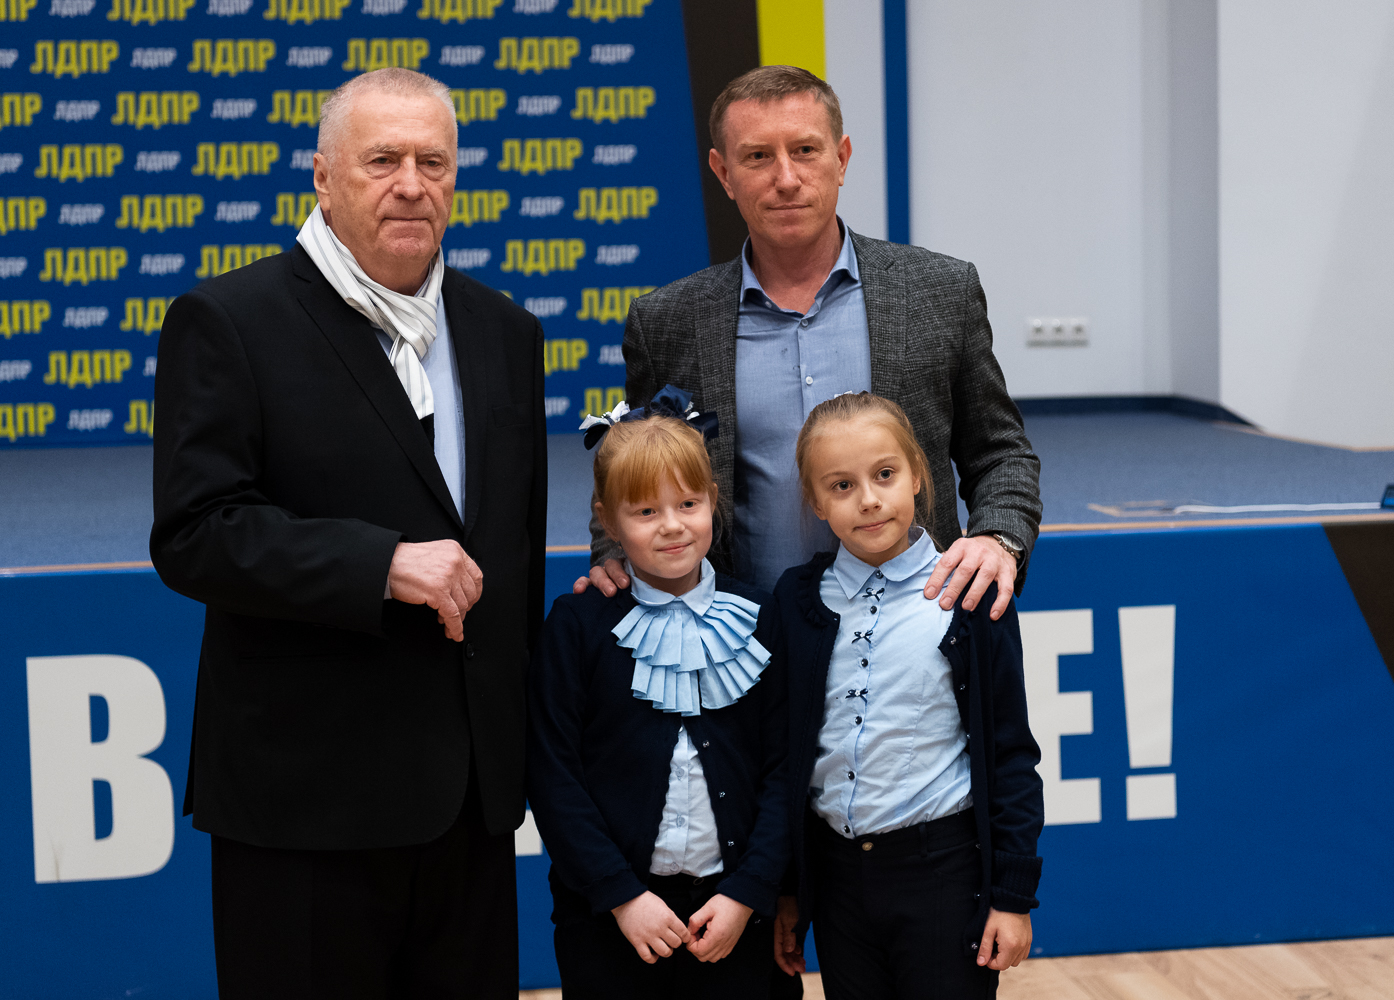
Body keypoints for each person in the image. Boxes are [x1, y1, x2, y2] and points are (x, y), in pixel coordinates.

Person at [150, 67, 545, 999]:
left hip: (471, 809)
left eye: (432, 162)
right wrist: (381, 564)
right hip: (307, 808)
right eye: (382, 161)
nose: (411, 184)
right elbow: (197, 533)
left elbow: (513, 549)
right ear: (324, 178)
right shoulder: (228, 320)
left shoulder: (505, 331)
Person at [579, 64, 1041, 626]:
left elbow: (1000, 453)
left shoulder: (938, 292)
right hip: (741, 642)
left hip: (915, 630)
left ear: (841, 159)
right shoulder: (667, 322)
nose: (787, 178)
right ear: (723, 173)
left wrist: (998, 538)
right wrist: (613, 553)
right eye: (757, 157)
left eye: (805, 150)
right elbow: (632, 468)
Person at [768, 392, 1044, 1000]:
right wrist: (788, 889)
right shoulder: (795, 601)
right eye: (841, 486)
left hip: (944, 877)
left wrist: (1012, 897)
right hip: (838, 887)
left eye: (885, 474)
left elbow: (1010, 755)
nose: (868, 499)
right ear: (815, 501)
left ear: (918, 474)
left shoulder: (971, 594)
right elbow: (782, 759)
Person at [526, 387, 789, 999]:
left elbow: (785, 769)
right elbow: (552, 772)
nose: (672, 525)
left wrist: (747, 893)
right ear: (608, 519)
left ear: (713, 500)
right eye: (645, 511)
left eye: (688, 503)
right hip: (610, 921)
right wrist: (621, 895)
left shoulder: (762, 617)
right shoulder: (576, 625)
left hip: (736, 918)